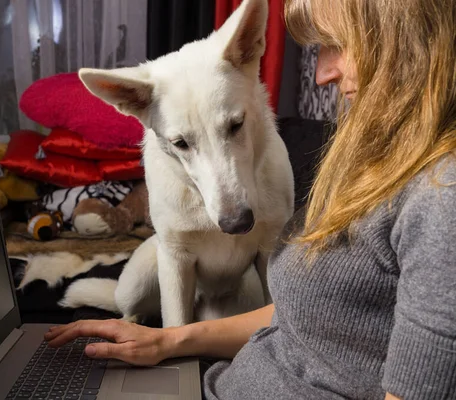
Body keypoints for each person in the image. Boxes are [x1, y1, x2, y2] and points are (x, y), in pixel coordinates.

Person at [45, 0, 456, 398]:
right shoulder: (377, 160)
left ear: (408, 42)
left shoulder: (441, 196)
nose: (320, 75)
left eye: (338, 43)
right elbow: (305, 316)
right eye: (318, 49)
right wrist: (169, 343)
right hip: (220, 372)